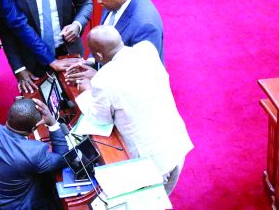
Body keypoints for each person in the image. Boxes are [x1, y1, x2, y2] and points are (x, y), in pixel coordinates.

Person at [75, 26, 193, 195]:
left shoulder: (103, 80)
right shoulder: (147, 50)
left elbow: (101, 119)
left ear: (99, 55)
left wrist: (87, 91)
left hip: (151, 163)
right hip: (175, 145)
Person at [90, 0, 164, 63]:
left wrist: (97, 76)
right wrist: (90, 62)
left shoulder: (146, 26)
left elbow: (143, 72)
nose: (98, 1)